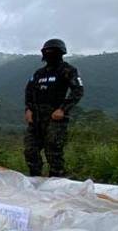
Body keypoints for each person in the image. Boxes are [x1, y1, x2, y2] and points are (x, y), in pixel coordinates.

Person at [23, 38, 84, 178]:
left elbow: (78, 90)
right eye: (47, 51)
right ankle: (35, 179)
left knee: (53, 151)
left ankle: (57, 182)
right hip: (36, 118)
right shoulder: (39, 73)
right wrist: (28, 109)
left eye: (52, 51)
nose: (49, 54)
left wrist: (63, 109)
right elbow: (29, 91)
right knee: (30, 150)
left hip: (55, 117)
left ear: (61, 53)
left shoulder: (67, 70)